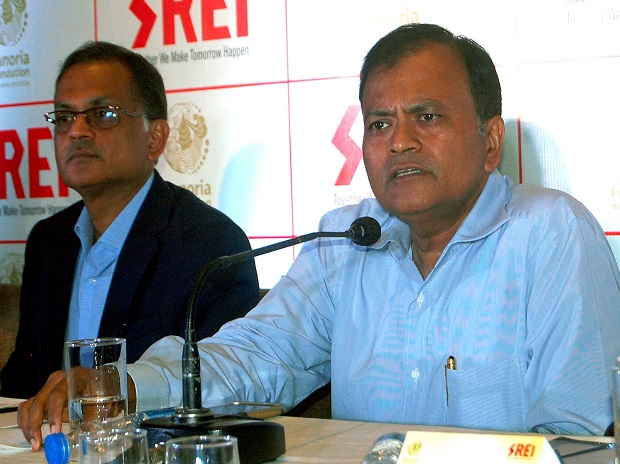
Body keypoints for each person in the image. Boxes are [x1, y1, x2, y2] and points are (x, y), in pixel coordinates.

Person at [19, 23, 620, 451]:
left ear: (490, 141)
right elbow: (254, 357)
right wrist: (125, 383)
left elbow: (576, 441)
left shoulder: (552, 234)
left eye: (427, 117)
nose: (399, 141)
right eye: (380, 123)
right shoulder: (347, 239)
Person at [1, 41, 260, 401]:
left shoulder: (209, 243)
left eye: (102, 114)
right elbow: (24, 379)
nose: (76, 131)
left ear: (155, 138)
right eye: (64, 117)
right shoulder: (48, 241)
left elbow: (221, 384)